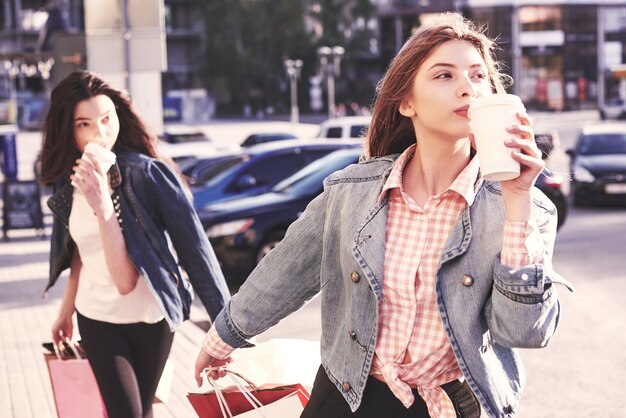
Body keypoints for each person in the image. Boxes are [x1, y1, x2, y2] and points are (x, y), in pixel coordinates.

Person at [194, 13, 573, 418]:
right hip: (347, 396)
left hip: (447, 406)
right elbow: (285, 270)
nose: (467, 88)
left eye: (478, 76)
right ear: (406, 101)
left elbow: (523, 331)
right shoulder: (351, 191)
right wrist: (222, 338)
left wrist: (517, 200)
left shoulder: (525, 207)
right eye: (444, 76)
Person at [41, 70, 230, 418]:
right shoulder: (67, 184)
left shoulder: (147, 175)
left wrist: (227, 331)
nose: (100, 133)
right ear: (68, 129)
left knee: (141, 412)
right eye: (84, 124)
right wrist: (65, 309)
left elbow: (193, 253)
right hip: (96, 318)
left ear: (117, 115)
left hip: (150, 317)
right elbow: (80, 251)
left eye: (106, 119)